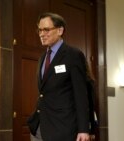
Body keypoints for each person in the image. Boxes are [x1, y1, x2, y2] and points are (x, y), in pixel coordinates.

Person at [27, 12, 90, 141]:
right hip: (39, 127)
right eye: (39, 30)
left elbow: (81, 94)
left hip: (62, 128)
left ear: (60, 30)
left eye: (46, 30)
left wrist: (83, 129)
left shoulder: (73, 55)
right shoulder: (42, 58)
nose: (41, 34)